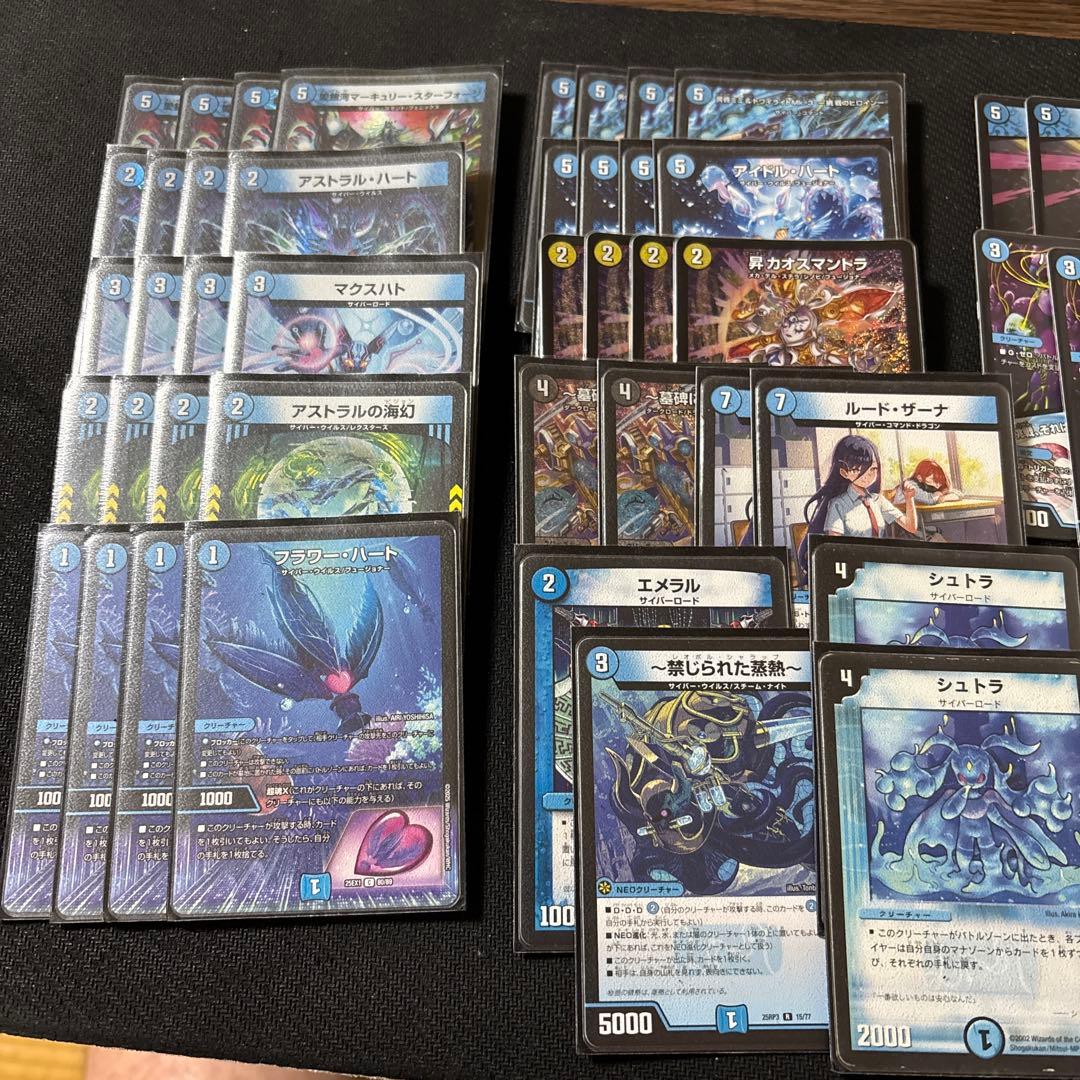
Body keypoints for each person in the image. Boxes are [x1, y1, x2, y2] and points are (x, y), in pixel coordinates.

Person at [805, 435, 919, 539]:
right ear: (844, 473)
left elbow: (911, 527)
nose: (867, 476)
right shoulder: (838, 504)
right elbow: (835, 544)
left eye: (873, 469)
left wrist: (909, 498)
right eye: (857, 470)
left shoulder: (878, 500)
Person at [891, 458, 962, 507]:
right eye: (933, 480)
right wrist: (942, 495)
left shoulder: (928, 486)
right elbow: (929, 499)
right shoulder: (910, 485)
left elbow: (958, 494)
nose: (938, 485)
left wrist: (943, 497)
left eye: (939, 480)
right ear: (919, 477)